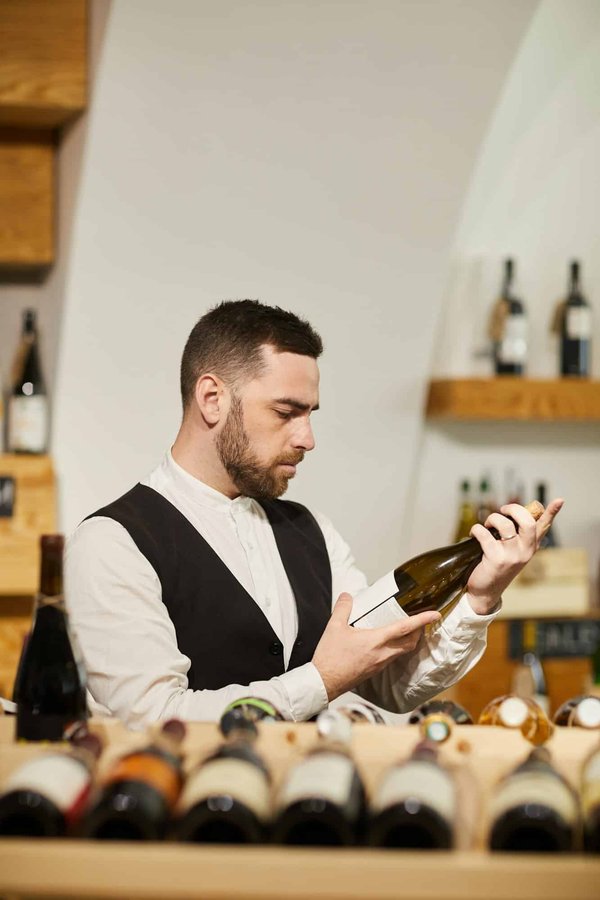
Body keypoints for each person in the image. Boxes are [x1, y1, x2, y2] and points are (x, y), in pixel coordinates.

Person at [66, 300, 562, 729]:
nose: (307, 439)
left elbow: (391, 683)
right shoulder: (114, 542)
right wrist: (321, 680)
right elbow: (153, 719)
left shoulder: (311, 531)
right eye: (286, 413)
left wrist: (479, 596)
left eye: (309, 415)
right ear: (212, 399)